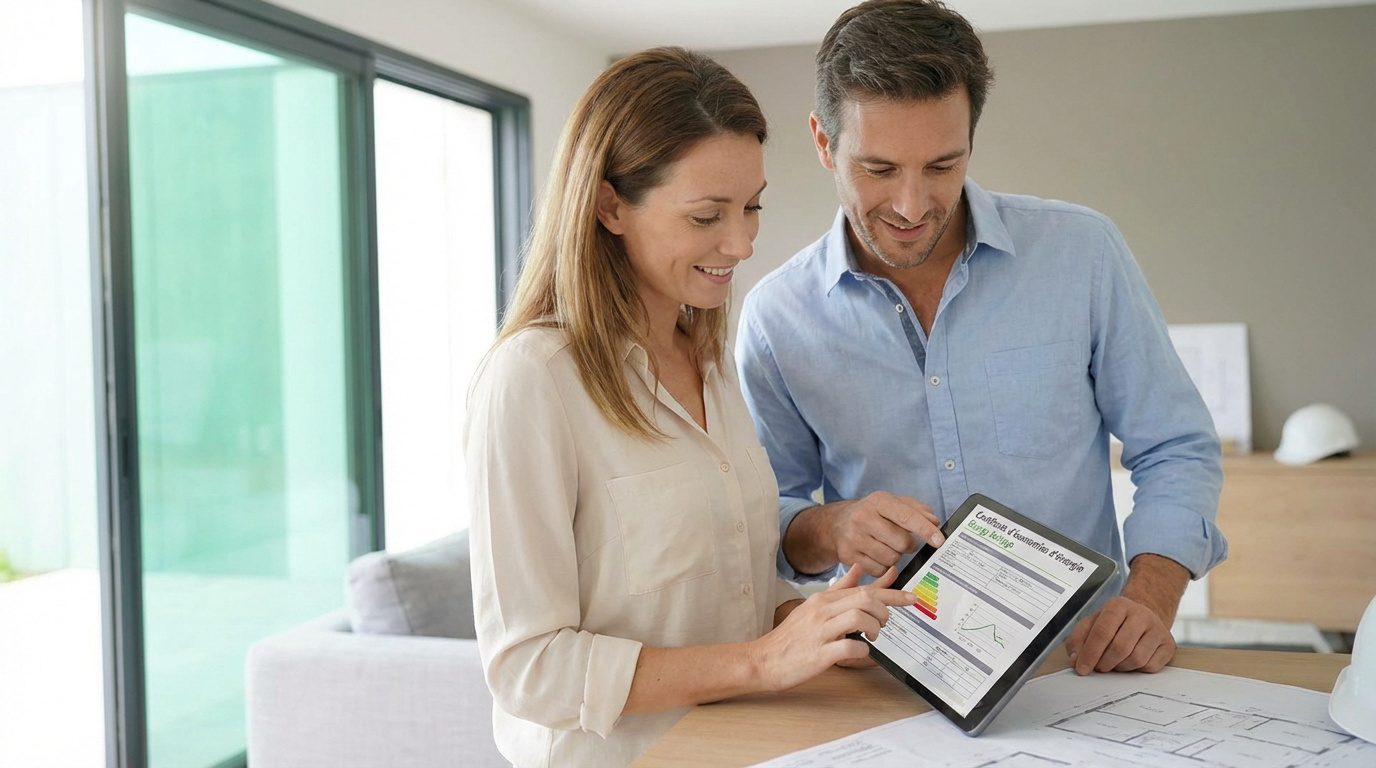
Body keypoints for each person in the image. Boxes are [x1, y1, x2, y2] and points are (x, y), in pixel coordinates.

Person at [736, 0, 1227, 679]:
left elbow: (1176, 448)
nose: (912, 206)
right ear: (824, 143)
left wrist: (1149, 599)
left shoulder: (1082, 253)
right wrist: (833, 526)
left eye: (943, 165)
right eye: (878, 169)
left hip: (1082, 668)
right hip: (883, 674)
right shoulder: (773, 318)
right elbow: (769, 518)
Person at [464, 47, 916, 768]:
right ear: (610, 205)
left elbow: (723, 598)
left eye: (752, 206)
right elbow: (529, 670)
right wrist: (764, 660)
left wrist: (820, 628)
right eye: (708, 215)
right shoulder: (531, 381)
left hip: (742, 746)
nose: (742, 242)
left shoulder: (707, 361)